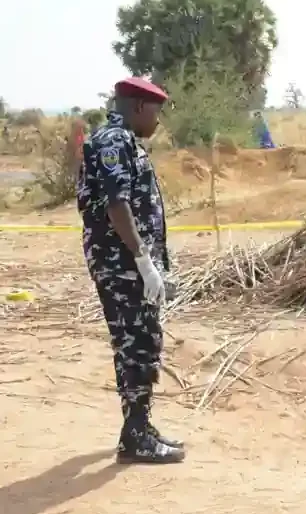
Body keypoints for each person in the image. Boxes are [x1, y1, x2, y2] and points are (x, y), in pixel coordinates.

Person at [77, 76, 185, 464]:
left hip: (126, 262)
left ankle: (139, 426)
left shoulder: (122, 140)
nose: (158, 120)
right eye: (156, 111)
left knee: (140, 341)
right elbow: (116, 204)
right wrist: (142, 260)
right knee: (137, 344)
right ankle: (136, 436)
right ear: (139, 106)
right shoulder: (114, 141)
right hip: (121, 263)